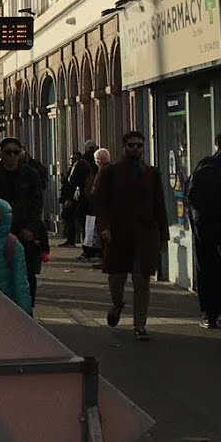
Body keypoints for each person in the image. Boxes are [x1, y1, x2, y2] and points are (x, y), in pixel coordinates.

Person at [93, 131, 170, 340]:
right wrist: (104, 228)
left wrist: (164, 236)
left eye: (139, 146)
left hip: (145, 234)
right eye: (131, 145)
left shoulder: (152, 174)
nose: (135, 149)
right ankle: (118, 304)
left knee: (141, 279)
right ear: (124, 147)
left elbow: (159, 205)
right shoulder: (110, 172)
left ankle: (140, 325)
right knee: (116, 278)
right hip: (118, 234)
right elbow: (99, 203)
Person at [0, 137, 47, 306]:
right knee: (1, 271)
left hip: (25, 232)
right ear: (1, 153)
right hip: (1, 234)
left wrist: (31, 229)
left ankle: (27, 308)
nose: (12, 156)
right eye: (8, 152)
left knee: (27, 273)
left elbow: (37, 204)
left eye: (16, 152)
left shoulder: (30, 175)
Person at [186, 131, 221, 330]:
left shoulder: (207, 164)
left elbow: (191, 196)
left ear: (217, 145)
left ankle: (210, 314)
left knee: (207, 267)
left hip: (205, 225)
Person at [0, 198, 32, 314]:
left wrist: (26, 310)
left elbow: (20, 281)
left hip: (3, 303)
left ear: (3, 218)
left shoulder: (12, 245)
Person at [61, 142, 98, 247]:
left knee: (84, 221)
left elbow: (72, 181)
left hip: (83, 196)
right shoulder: (99, 161)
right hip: (96, 196)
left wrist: (68, 198)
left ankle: (86, 245)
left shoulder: (81, 163)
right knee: (94, 221)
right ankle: (94, 246)